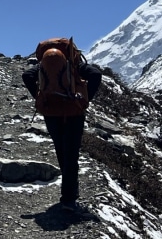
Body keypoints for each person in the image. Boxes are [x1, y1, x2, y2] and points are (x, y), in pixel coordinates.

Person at [22, 41, 102, 217]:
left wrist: (39, 97)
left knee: (61, 150)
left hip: (51, 113)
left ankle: (69, 194)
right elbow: (95, 74)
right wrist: (85, 100)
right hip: (73, 112)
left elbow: (27, 75)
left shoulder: (43, 65)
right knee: (72, 154)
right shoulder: (73, 65)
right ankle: (69, 198)